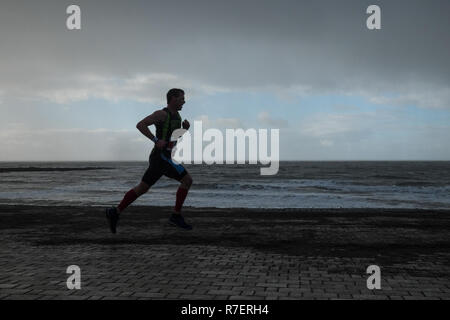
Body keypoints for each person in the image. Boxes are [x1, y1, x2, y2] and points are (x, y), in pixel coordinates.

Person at [105, 88, 193, 233]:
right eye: (182, 98)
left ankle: (115, 212)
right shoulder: (161, 114)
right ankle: (115, 212)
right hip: (160, 158)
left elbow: (172, 139)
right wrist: (155, 139)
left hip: (168, 159)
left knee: (146, 187)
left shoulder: (177, 117)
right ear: (173, 99)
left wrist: (184, 130)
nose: (184, 101)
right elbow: (140, 125)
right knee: (145, 187)